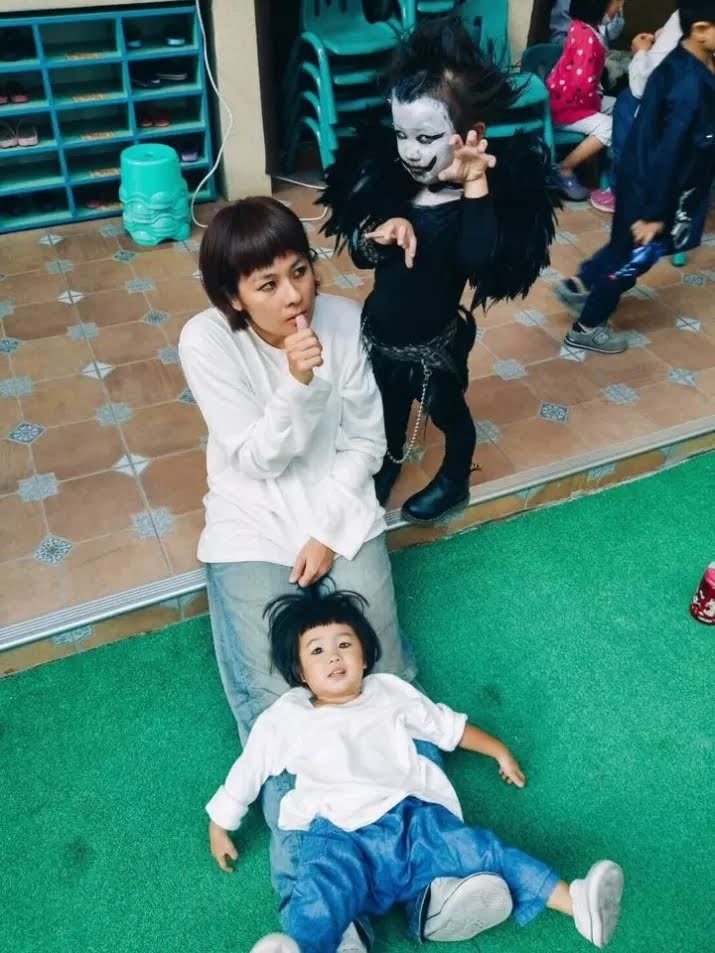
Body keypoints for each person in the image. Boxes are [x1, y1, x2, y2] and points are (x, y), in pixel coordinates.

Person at [179, 197, 509, 953]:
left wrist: (329, 532)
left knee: (380, 671)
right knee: (277, 697)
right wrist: (297, 385)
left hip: (341, 508)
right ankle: (325, 911)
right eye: (266, 284)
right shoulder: (206, 340)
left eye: (299, 272)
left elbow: (366, 439)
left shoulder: (340, 318)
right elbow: (256, 458)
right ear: (234, 295)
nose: (292, 295)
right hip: (253, 518)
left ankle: (434, 878)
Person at [207, 589, 625, 953]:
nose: (333, 656)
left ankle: (576, 903)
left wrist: (498, 751)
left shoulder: (389, 692)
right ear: (300, 672)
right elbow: (251, 766)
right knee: (318, 896)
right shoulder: (287, 716)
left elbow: (447, 727)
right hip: (337, 837)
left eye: (344, 644)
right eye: (317, 651)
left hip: (411, 823)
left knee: (482, 848)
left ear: (365, 657)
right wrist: (220, 823)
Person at [320, 16, 556, 524]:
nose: (410, 149)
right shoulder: (395, 185)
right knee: (386, 407)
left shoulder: (472, 204)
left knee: (449, 413)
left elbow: (477, 260)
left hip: (432, 350)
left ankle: (454, 473)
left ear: (471, 135)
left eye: (427, 136)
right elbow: (361, 254)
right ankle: (386, 460)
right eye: (401, 133)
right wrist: (379, 232)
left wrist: (475, 184)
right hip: (380, 336)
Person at [554, 1, 715, 354]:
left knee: (621, 246)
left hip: (636, 174)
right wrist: (655, 213)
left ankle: (581, 283)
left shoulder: (676, 62)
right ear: (702, 31)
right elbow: (671, 151)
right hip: (657, 190)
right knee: (632, 260)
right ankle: (587, 327)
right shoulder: (689, 88)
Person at [590, 9, 683, 213]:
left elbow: (642, 86)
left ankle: (621, 192)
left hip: (659, 104)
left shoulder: (687, 17)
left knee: (627, 108)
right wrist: (663, 36)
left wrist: (641, 52)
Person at [547, 1, 624, 201]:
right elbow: (580, 84)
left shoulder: (580, 27)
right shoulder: (587, 39)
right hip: (568, 106)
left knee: (621, 106)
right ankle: (564, 168)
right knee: (609, 127)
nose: (618, 10)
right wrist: (595, 104)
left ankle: (602, 167)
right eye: (615, 5)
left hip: (568, 99)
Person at [550, 0, 625, 47]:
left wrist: (617, 9)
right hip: (574, 58)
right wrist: (585, 46)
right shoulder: (566, 3)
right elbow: (558, 41)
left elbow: (611, 35)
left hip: (601, 55)